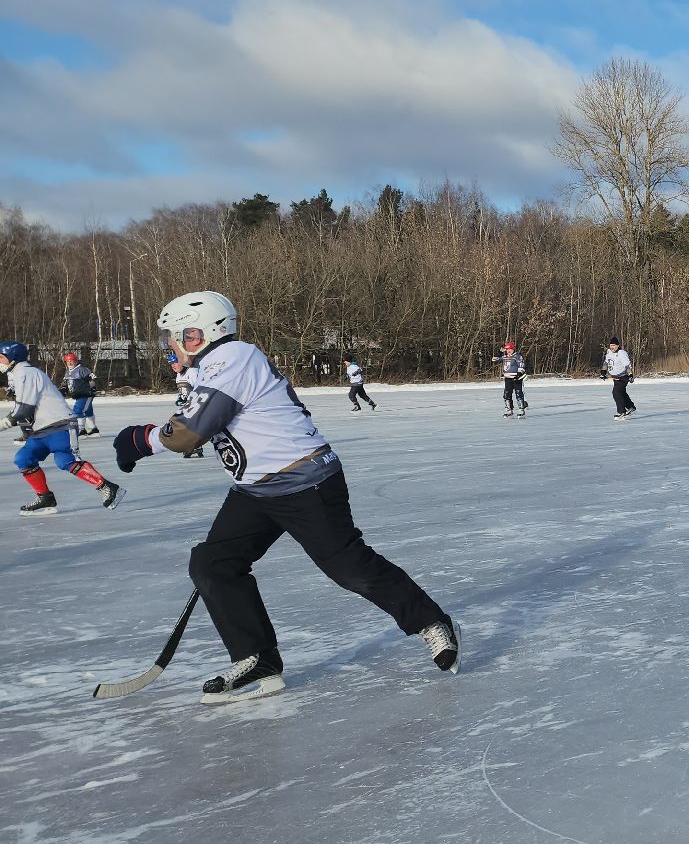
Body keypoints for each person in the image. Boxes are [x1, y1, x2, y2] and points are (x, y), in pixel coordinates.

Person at [111, 291, 459, 703]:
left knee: (351, 570)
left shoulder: (233, 358)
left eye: (175, 335)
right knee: (213, 563)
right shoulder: (210, 367)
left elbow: (188, 432)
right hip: (255, 491)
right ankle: (256, 658)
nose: (169, 344)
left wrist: (139, 439)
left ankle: (430, 621)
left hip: (306, 482)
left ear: (199, 333)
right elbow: (194, 427)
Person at [2, 341, 124, 516]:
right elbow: (24, 410)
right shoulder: (17, 374)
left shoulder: (26, 372)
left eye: (1, 357)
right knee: (24, 458)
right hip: (40, 430)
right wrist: (26, 433)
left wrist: (4, 424)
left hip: (60, 426)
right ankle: (45, 498)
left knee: (65, 461)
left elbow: (23, 409)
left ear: (13, 358)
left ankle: (107, 487)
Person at [167, 354, 207, 458]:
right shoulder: (179, 375)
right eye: (171, 364)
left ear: (182, 362)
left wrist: (192, 398)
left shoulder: (192, 372)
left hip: (198, 405)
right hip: (189, 407)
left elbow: (202, 389)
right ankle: (194, 447)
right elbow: (183, 390)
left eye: (175, 363)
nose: (173, 366)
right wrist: (181, 397)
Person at [62, 352, 100, 436]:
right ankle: (92, 429)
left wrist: (93, 388)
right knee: (87, 411)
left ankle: (80, 430)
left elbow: (92, 378)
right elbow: (66, 382)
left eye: (71, 361)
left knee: (78, 410)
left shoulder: (81, 369)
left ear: (76, 361)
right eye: (67, 361)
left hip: (86, 394)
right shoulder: (68, 371)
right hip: (78, 395)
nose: (69, 363)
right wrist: (64, 389)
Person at [603, 337, 635, 420]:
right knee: (622, 393)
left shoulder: (621, 353)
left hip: (623, 377)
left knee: (616, 392)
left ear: (618, 345)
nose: (612, 347)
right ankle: (630, 406)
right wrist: (603, 373)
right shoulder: (609, 353)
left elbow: (627, 366)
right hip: (615, 378)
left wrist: (630, 375)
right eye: (611, 345)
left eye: (613, 345)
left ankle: (621, 412)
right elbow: (606, 363)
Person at [497, 342, 528, 417]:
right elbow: (495, 359)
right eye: (507, 349)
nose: (508, 351)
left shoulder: (517, 356)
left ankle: (521, 409)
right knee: (507, 394)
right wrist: (499, 352)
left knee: (518, 393)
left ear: (513, 349)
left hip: (516, 378)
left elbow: (521, 365)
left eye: (510, 349)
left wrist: (519, 374)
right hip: (507, 378)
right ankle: (509, 409)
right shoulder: (505, 356)